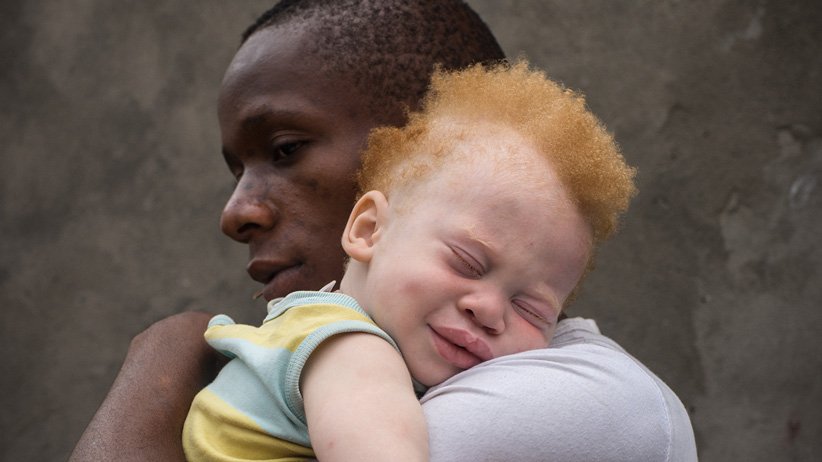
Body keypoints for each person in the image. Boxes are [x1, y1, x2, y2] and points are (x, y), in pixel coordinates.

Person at [71, 1, 698, 461]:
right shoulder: (339, 345)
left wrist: (164, 356)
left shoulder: (591, 401)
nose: (236, 214)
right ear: (371, 223)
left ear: (408, 142)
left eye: (286, 149)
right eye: (467, 262)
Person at [182, 61, 636, 461]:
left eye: (531, 309)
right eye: (466, 263)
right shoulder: (350, 349)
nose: (490, 309)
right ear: (368, 230)